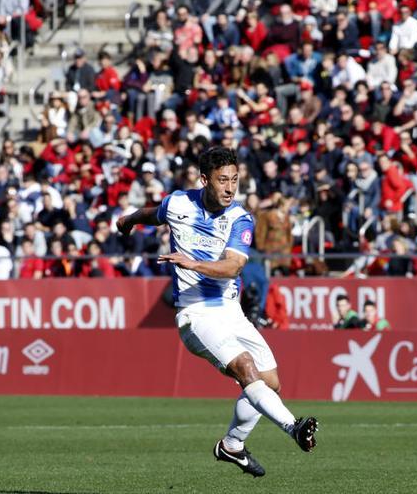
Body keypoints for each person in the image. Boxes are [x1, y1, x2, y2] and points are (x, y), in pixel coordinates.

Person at [116, 147, 318, 478]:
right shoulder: (179, 202)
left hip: (230, 311)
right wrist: (127, 221)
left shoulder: (240, 218)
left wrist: (194, 263)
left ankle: (232, 445)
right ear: (205, 179)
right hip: (194, 313)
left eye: (235, 180)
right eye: (223, 180)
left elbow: (233, 266)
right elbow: (152, 212)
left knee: (270, 383)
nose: (229, 188)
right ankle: (293, 427)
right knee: (245, 367)